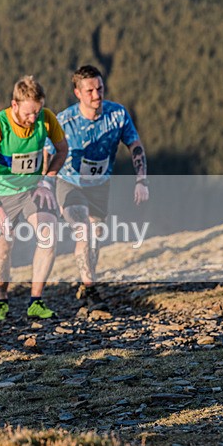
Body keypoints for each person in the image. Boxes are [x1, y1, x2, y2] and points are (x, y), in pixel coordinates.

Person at [45, 65, 149, 292]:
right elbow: (46, 151)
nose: (97, 95)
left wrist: (141, 180)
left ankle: (88, 278)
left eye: (100, 88)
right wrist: (45, 184)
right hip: (70, 183)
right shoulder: (64, 120)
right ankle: (90, 288)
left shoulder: (117, 115)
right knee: (83, 231)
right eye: (90, 91)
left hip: (100, 185)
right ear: (78, 93)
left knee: (96, 234)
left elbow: (135, 146)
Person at [0, 75, 68, 321]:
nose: (33, 119)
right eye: (29, 113)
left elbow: (62, 150)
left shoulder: (46, 118)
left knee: (48, 236)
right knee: (2, 247)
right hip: (1, 192)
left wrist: (47, 180)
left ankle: (36, 301)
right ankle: (1, 298)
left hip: (33, 188)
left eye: (37, 112)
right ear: (15, 105)